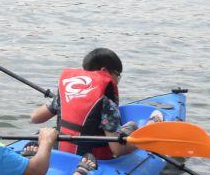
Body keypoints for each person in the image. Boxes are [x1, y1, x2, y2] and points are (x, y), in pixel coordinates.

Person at [29, 48, 161, 160]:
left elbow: (35, 118)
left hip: (63, 153)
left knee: (56, 128)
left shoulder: (66, 93)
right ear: (104, 71)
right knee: (132, 125)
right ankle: (151, 124)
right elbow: (117, 150)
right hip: (92, 158)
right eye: (117, 75)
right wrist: (140, 143)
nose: (118, 80)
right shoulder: (107, 104)